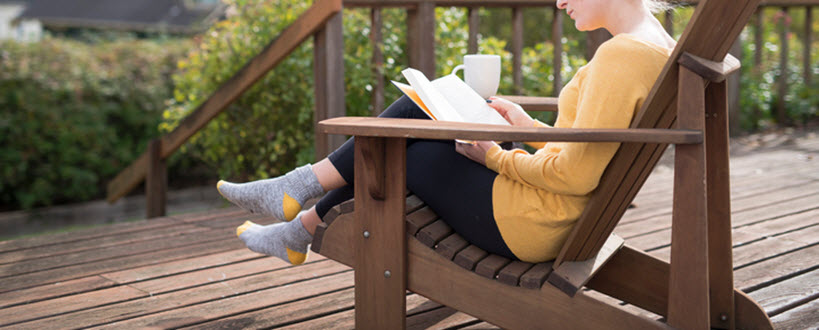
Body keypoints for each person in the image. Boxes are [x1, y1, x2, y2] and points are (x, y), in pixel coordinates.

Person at [216, 0, 676, 265]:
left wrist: (491, 155)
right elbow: (589, 146)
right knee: (419, 110)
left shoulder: (622, 56)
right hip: (550, 209)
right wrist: (528, 127)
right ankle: (297, 218)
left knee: (402, 147)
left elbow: (576, 175)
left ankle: (296, 204)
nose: (558, 2)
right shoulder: (654, 45)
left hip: (533, 222)